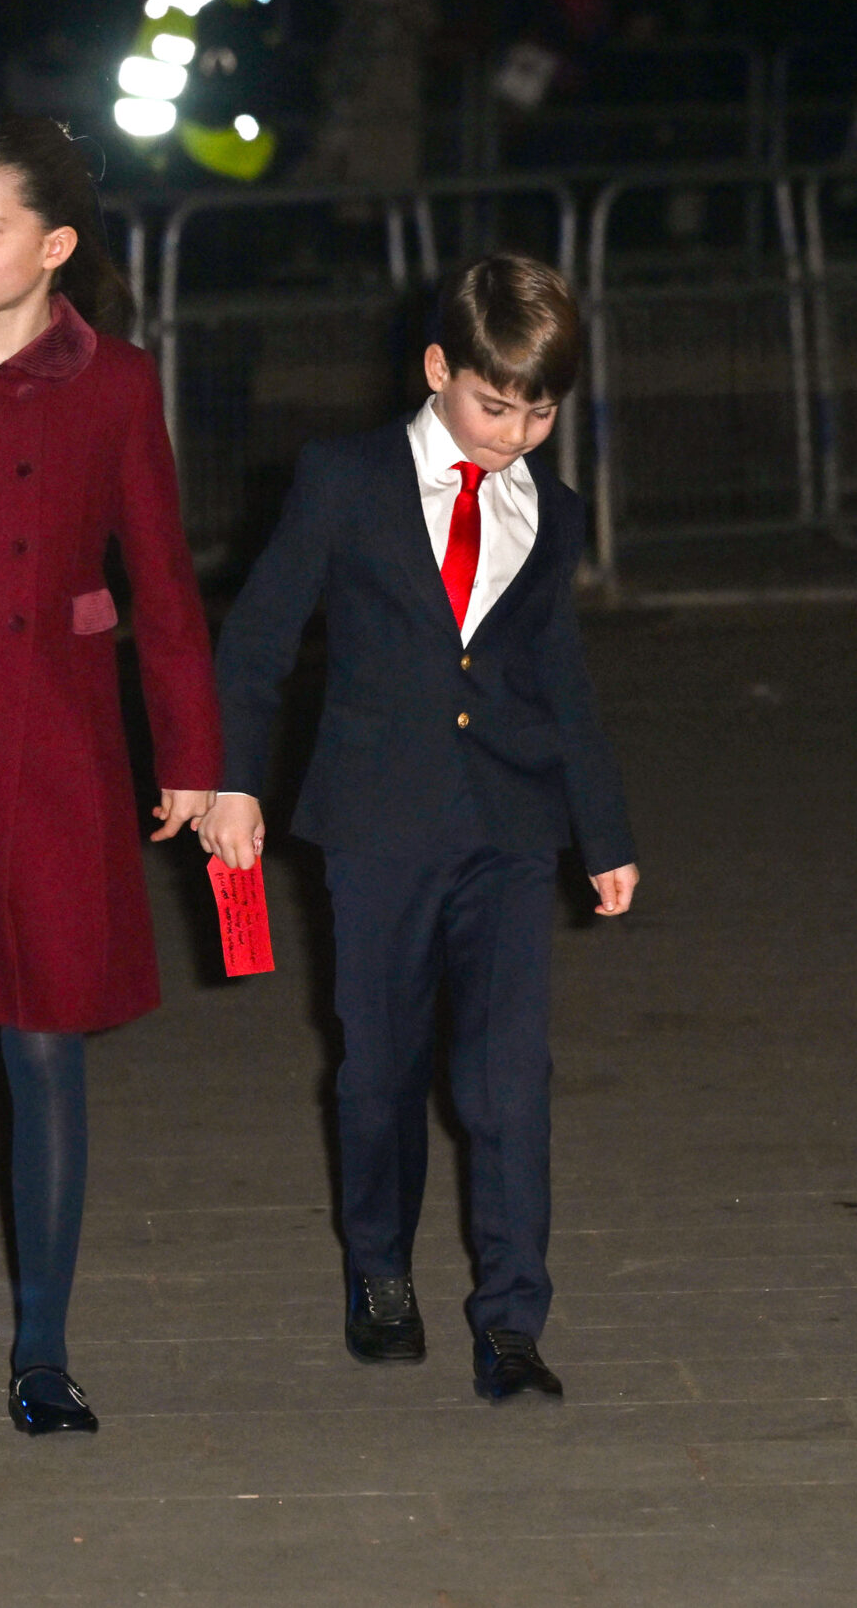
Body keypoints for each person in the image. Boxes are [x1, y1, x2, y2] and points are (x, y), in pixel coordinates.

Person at [201, 254, 638, 1405]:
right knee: (380, 1069)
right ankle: (379, 1272)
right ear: (438, 369)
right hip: (377, 825)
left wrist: (603, 831)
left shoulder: (553, 511)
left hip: (506, 825)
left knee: (508, 1080)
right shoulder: (343, 478)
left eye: (541, 410)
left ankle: (511, 1321)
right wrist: (229, 781)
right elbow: (253, 642)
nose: (517, 431)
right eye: (497, 404)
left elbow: (560, 679)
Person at [0, 116, 221, 1438]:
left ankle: (47, 1346)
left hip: (68, 753)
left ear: (56, 245)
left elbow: (166, 579)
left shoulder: (119, 382)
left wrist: (193, 755)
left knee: (47, 1049)